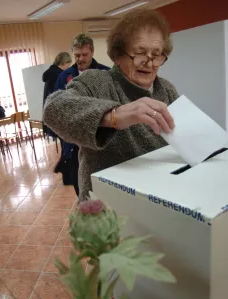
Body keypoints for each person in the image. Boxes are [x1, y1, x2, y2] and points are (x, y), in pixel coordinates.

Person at [44, 10, 177, 202]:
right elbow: (53, 109)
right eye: (140, 53)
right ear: (117, 56)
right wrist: (115, 115)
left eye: (156, 55)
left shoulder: (166, 90)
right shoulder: (97, 81)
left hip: (159, 201)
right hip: (107, 210)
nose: (149, 63)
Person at [54, 34, 110, 196]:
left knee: (103, 186)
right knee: (81, 186)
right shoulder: (64, 77)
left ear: (92, 52)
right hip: (74, 143)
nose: (80, 59)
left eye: (84, 55)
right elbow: (58, 108)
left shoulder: (105, 73)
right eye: (77, 55)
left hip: (101, 140)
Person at [42, 52, 72, 137]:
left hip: (50, 111)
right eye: (68, 64)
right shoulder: (59, 75)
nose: (68, 67)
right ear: (64, 62)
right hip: (59, 113)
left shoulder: (49, 74)